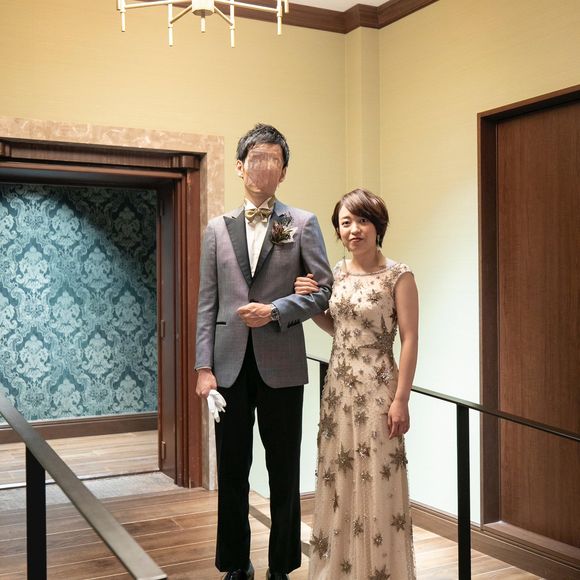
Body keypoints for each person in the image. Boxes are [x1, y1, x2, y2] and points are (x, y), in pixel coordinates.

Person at [195, 123, 333, 580]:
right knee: (233, 469)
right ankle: (236, 563)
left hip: (283, 364)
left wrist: (275, 310)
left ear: (283, 170)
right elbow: (207, 302)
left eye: (273, 159)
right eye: (256, 157)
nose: (264, 165)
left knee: (284, 469)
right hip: (228, 367)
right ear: (240, 166)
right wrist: (203, 367)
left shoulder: (303, 223)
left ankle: (282, 565)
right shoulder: (217, 229)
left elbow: (323, 292)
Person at [294, 188, 418, 579]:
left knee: (377, 478)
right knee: (340, 477)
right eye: (345, 223)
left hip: (378, 389)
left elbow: (410, 339)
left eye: (362, 220)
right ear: (338, 230)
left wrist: (401, 400)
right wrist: (311, 302)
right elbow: (340, 328)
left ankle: (379, 570)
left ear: (378, 226)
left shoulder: (399, 275)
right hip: (338, 389)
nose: (354, 230)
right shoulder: (337, 272)